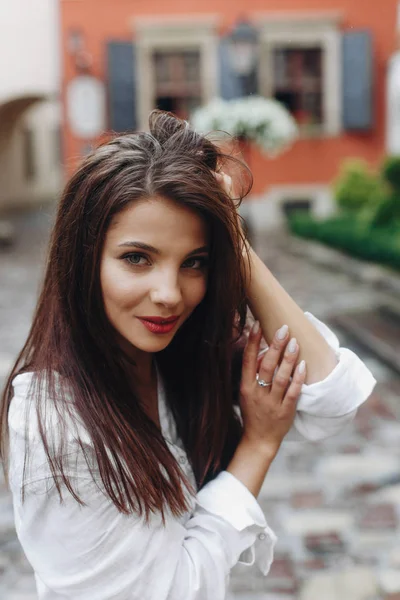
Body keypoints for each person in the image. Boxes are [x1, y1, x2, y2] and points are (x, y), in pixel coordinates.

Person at [1, 111, 375, 600]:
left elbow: (335, 398)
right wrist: (259, 446)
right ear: (82, 261)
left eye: (194, 262)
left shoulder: (182, 351)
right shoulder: (54, 423)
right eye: (137, 258)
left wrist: (235, 245)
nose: (169, 295)